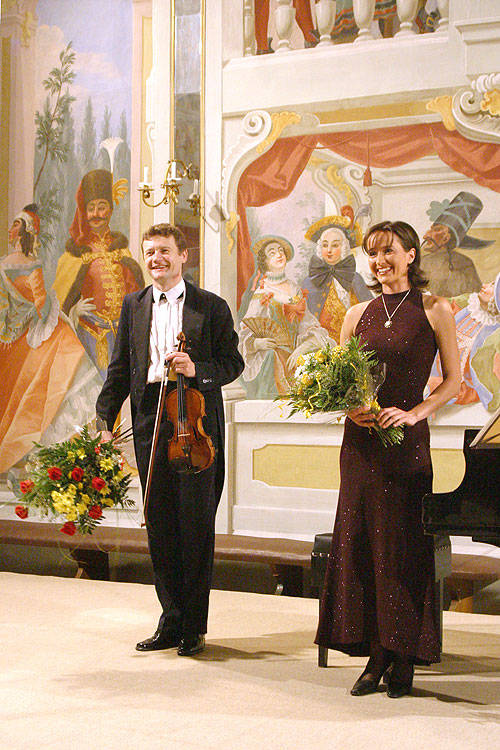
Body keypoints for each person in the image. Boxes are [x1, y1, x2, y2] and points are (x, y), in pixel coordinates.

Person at [315, 220, 460, 698]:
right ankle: (374, 655)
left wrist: (415, 414)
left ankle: (404, 657)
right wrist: (350, 409)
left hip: (408, 446)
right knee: (361, 546)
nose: (380, 262)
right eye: (373, 254)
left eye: (389, 252)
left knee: (401, 550)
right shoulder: (356, 313)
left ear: (411, 255)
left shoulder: (435, 309)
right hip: (360, 446)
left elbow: (453, 383)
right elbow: (340, 381)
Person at [96, 223, 244, 656]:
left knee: (195, 525)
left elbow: (232, 362)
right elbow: (120, 369)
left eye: (164, 251)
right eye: (150, 252)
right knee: (159, 524)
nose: (156, 259)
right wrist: (105, 418)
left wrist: (197, 368)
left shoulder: (209, 306)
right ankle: (170, 620)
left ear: (183, 256)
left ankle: (194, 626)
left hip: (194, 424)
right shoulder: (133, 305)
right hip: (150, 421)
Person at [0, 204, 101, 475]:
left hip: (10, 337)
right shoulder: (31, 264)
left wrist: (9, 329)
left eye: (14, 227)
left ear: (21, 233)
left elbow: (6, 305)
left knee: (17, 396)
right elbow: (42, 306)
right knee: (64, 365)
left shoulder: (3, 264)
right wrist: (70, 316)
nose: (10, 231)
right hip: (36, 334)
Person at [53, 169, 144, 379]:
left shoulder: (121, 250)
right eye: (91, 209)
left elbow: (135, 291)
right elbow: (60, 304)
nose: (95, 214)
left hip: (122, 337)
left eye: (101, 207)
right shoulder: (75, 254)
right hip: (90, 336)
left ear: (110, 210)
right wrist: (75, 310)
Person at [238, 235, 332, 398]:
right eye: (272, 253)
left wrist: (303, 348)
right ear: (264, 261)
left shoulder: (295, 288)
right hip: (271, 360)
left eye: (280, 251)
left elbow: (307, 324)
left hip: (296, 358)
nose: (279, 255)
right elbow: (246, 333)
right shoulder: (262, 292)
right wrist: (259, 343)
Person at [427, 274, 500, 411]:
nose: (484, 285)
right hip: (427, 366)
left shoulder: (494, 337)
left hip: (455, 388)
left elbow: (478, 385)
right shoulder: (467, 304)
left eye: (492, 286)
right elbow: (441, 307)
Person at [303, 215, 372, 342]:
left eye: (335, 245)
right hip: (323, 344)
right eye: (325, 245)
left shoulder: (355, 279)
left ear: (344, 247)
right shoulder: (311, 280)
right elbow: (304, 320)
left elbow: (372, 311)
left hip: (356, 342)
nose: (329, 250)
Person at [420, 191, 492, 298]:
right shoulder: (421, 263)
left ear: (446, 238)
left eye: (437, 230)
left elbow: (474, 298)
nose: (426, 236)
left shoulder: (465, 264)